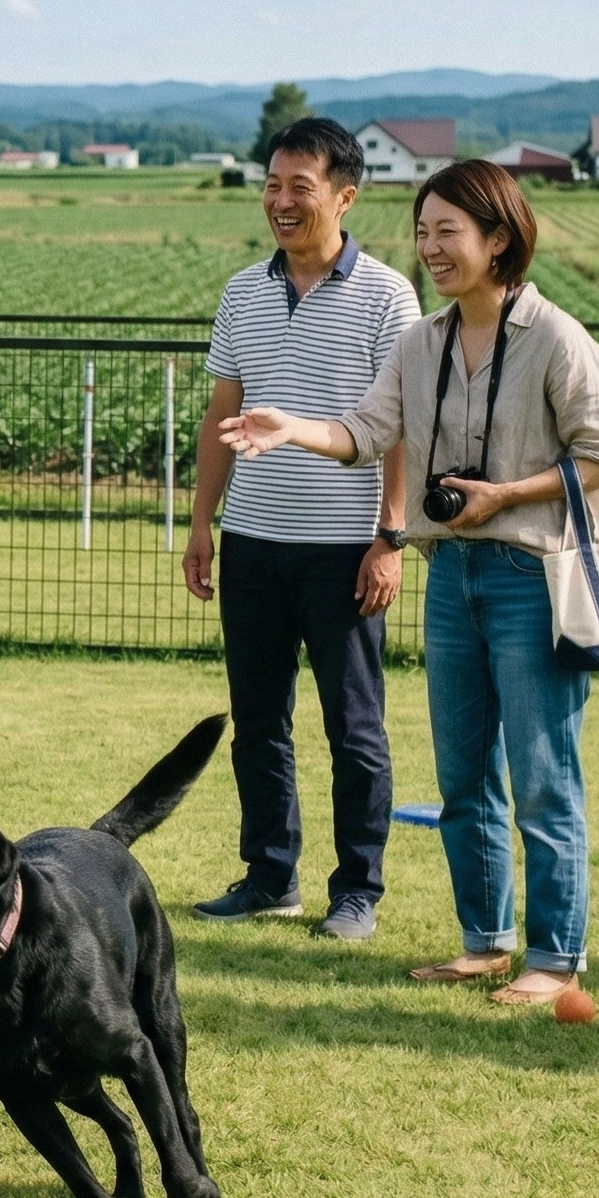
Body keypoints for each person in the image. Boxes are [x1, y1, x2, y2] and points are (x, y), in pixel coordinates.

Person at [220, 159, 599, 1004]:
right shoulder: (423, 341)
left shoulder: (556, 337)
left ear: (499, 238)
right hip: (453, 576)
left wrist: (506, 495)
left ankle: (556, 959)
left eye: (448, 232)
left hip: (532, 576)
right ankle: (485, 941)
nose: (431, 248)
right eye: (423, 232)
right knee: (463, 775)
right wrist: (291, 426)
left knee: (544, 776)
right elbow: (366, 433)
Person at [184, 117, 421, 939]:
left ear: (345, 196)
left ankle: (358, 890)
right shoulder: (243, 291)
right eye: (273, 185)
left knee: (353, 727)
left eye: (301, 187)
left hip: (345, 551)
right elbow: (223, 412)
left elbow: (400, 428)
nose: (281, 202)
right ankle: (269, 876)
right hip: (252, 542)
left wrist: (390, 537)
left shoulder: (389, 295)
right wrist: (201, 525)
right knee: (259, 721)